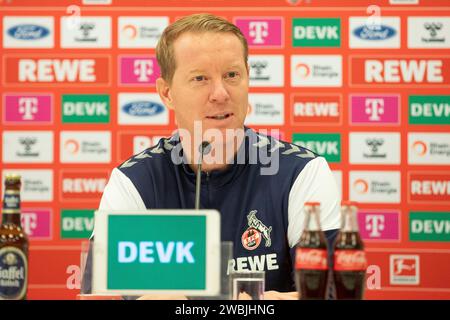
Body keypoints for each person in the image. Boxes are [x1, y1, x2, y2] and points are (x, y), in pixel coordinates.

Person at [84, 13, 340, 299]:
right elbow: (99, 296)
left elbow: (331, 293)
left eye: (232, 75)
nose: (220, 93)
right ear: (166, 93)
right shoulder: (136, 182)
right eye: (200, 78)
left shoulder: (300, 172)